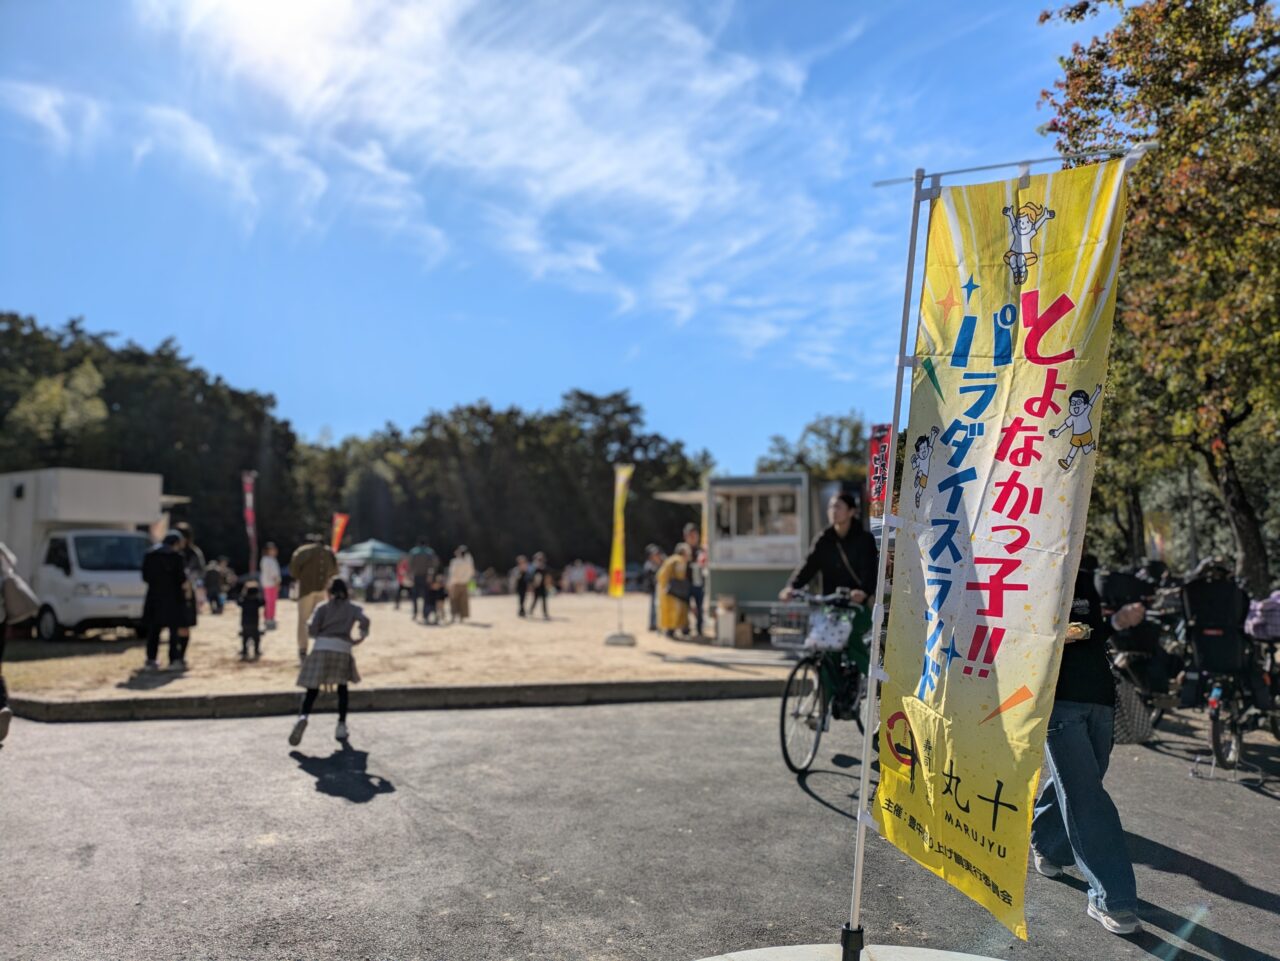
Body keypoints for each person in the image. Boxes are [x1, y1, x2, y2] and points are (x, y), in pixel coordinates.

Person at [1031, 552, 1145, 936]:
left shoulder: (1088, 566)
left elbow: (1093, 632)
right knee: (1086, 797)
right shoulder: (1030, 560)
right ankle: (1112, 898)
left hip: (1100, 695)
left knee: (1082, 783)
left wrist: (1116, 622)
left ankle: (1046, 843)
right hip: (1058, 700)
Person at [289, 578, 369, 745]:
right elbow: (365, 620)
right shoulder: (353, 608)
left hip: (321, 647)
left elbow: (311, 628)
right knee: (342, 688)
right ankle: (341, 725)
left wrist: (317, 634)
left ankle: (302, 717)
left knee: (312, 689)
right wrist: (360, 637)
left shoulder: (322, 607)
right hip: (343, 648)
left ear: (329, 592)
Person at [782, 492, 878, 605]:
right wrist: (791, 587)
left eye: (838, 507)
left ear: (851, 512)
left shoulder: (864, 539)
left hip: (857, 605)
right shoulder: (823, 539)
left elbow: (869, 569)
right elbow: (808, 566)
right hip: (829, 604)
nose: (833, 511)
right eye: (831, 507)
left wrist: (864, 591)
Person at [141, 531, 197, 671]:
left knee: (154, 631)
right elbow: (182, 579)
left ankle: (151, 660)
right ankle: (174, 660)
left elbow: (145, 577)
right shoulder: (176, 557)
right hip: (173, 599)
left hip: (153, 597)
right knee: (174, 632)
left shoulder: (150, 555)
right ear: (176, 543)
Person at [290, 535, 338, 664]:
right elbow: (334, 571)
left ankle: (302, 651)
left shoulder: (302, 551)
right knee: (322, 621)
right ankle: (320, 649)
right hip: (322, 589)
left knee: (303, 621)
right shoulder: (329, 552)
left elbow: (293, 571)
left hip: (306, 589)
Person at [657, 543, 692, 638]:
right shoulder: (679, 560)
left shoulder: (671, 559)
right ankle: (673, 630)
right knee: (677, 610)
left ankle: (670, 629)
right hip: (674, 591)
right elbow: (680, 575)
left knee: (669, 611)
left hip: (665, 589)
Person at [682, 523, 707, 637]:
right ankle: (685, 628)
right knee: (684, 607)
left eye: (694, 535)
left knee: (699, 607)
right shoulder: (682, 550)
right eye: (690, 535)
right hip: (685, 583)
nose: (692, 537)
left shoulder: (701, 550)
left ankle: (699, 628)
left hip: (698, 583)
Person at [408, 538, 437, 622]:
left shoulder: (413, 552)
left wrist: (410, 576)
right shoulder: (429, 552)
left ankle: (415, 613)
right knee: (426, 596)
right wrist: (430, 576)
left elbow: (410, 565)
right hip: (426, 576)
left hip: (416, 576)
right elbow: (433, 565)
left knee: (415, 596)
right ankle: (425, 614)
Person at [447, 545, 475, 623]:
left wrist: (450, 584)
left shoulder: (455, 562)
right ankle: (462, 617)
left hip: (455, 583)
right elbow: (472, 572)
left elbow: (452, 574)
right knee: (463, 601)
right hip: (465, 583)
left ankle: (453, 616)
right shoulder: (468, 562)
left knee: (454, 601)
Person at [239, 580, 265, 660]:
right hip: (254, 624)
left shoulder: (244, 600)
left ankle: (244, 651)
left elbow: (238, 602)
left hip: (245, 624)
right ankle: (256, 651)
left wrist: (243, 592)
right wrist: (261, 592)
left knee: (245, 639)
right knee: (256, 639)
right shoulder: (256, 601)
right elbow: (264, 602)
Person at [642, 544, 664, 632]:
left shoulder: (661, 562)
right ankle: (653, 624)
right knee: (654, 607)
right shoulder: (649, 565)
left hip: (660, 588)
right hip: (653, 588)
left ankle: (657, 624)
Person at [260, 542, 282, 630]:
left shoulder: (264, 559)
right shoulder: (270, 560)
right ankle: (270, 619)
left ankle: (267, 618)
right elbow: (274, 574)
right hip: (272, 584)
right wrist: (277, 584)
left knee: (268, 602)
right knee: (271, 603)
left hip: (266, 584)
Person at [529, 552, 551, 620]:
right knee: (535, 599)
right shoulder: (534, 568)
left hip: (543, 586)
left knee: (544, 599)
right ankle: (531, 610)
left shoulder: (544, 568)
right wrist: (532, 585)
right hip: (536, 586)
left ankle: (545, 613)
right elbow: (531, 578)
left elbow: (547, 577)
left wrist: (547, 585)